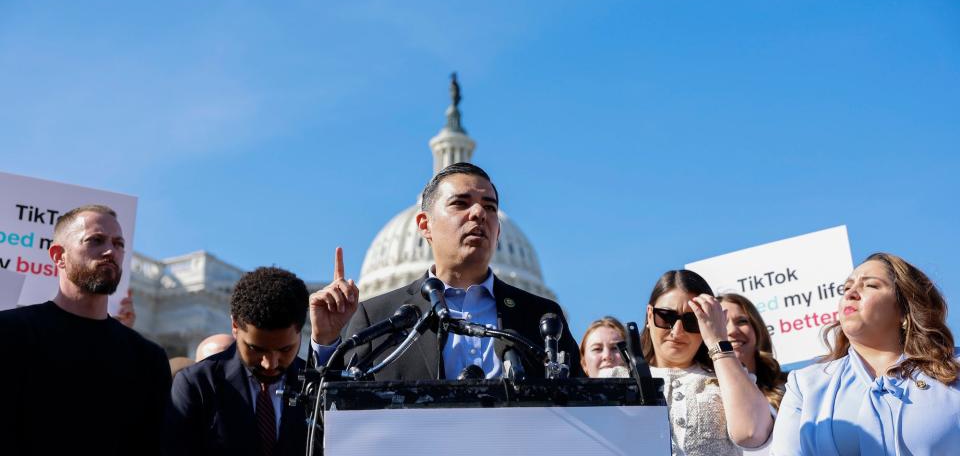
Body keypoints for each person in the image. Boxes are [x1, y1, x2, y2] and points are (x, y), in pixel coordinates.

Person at [337, 162, 582, 380]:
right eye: (460, 203)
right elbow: (337, 418)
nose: (479, 213)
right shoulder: (378, 317)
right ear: (425, 225)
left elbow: (582, 407)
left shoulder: (543, 318)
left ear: (498, 232)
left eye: (490, 207)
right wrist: (326, 341)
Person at [0, 204, 171, 455]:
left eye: (119, 243)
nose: (111, 251)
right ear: (59, 256)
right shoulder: (10, 333)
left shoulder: (148, 358)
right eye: (96, 240)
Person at [770, 253, 960, 455]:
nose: (851, 293)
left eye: (870, 285)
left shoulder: (954, 368)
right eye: (846, 288)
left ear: (905, 309)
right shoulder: (805, 385)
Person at [166, 263, 357, 456]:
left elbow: (342, 440)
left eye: (285, 349)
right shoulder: (198, 384)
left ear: (300, 332)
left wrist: (326, 339)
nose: (270, 363)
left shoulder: (311, 383)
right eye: (256, 349)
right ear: (234, 326)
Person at [641, 269, 774, 455]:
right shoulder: (618, 377)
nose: (677, 331)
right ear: (649, 315)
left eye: (692, 321)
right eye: (666, 317)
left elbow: (752, 433)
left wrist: (718, 341)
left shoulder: (727, 378)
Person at [717, 293, 787, 410]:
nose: (732, 330)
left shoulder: (790, 387)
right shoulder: (706, 396)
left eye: (742, 321)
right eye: (722, 323)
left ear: (757, 329)